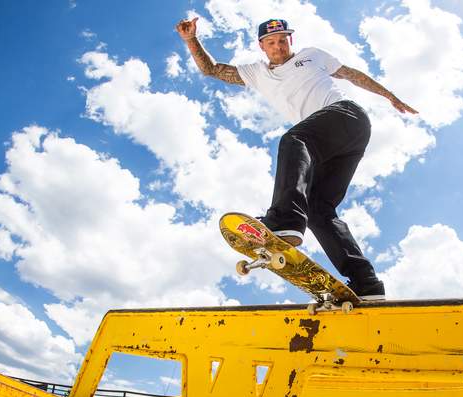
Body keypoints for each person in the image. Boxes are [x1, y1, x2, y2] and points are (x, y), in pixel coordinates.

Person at [176, 17, 417, 300]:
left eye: (283, 40)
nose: (278, 47)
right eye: (271, 43)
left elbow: (352, 74)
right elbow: (212, 70)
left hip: (346, 117)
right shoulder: (255, 73)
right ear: (262, 46)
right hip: (335, 144)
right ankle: (367, 284)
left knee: (294, 139)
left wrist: (390, 96)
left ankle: (283, 220)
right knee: (318, 209)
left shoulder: (312, 56)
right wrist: (191, 40)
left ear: (290, 40)